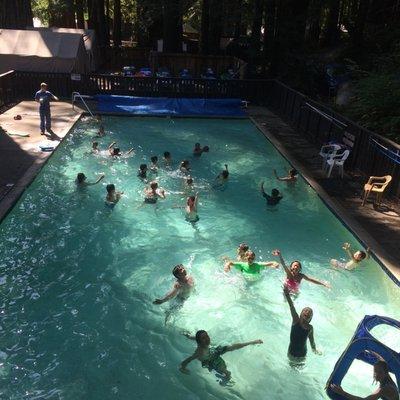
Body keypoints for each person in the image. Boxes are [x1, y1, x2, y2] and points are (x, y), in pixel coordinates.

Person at [180, 330, 263, 382]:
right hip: (209, 361)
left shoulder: (200, 341)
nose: (207, 339)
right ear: (199, 342)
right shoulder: (199, 352)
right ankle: (227, 379)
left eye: (207, 336)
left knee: (231, 347)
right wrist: (183, 368)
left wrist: (187, 335)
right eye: (204, 338)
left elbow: (195, 338)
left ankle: (251, 342)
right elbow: (188, 360)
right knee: (225, 371)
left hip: (213, 351)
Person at [283, 286, 321, 363]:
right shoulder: (296, 320)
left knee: (299, 369)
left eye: (310, 313)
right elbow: (291, 306)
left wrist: (314, 349)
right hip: (291, 353)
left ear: (310, 319)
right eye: (306, 310)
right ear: (300, 314)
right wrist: (287, 294)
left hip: (302, 356)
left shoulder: (310, 328)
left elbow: (312, 341)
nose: (307, 312)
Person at [330, 359, 399, 400]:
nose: (377, 375)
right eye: (375, 371)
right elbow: (383, 363)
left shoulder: (386, 388)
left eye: (380, 372)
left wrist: (342, 392)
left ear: (386, 372)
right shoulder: (387, 379)